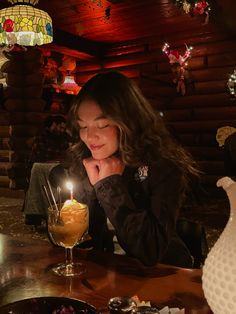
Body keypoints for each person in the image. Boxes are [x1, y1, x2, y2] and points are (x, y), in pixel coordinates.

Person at [51, 71, 200, 267]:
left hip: (160, 274)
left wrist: (109, 186)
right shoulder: (84, 161)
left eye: (102, 125)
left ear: (130, 122)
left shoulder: (161, 166)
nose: (90, 136)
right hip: (105, 271)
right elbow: (72, 236)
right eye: (83, 126)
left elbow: (150, 250)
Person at [23, 114, 72, 226]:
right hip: (39, 167)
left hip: (56, 166)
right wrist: (58, 157)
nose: (62, 130)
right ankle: (48, 212)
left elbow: (66, 151)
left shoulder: (62, 136)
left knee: (66, 176)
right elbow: (41, 154)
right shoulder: (42, 136)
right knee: (60, 178)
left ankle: (64, 210)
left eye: (64, 128)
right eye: (61, 127)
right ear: (54, 124)